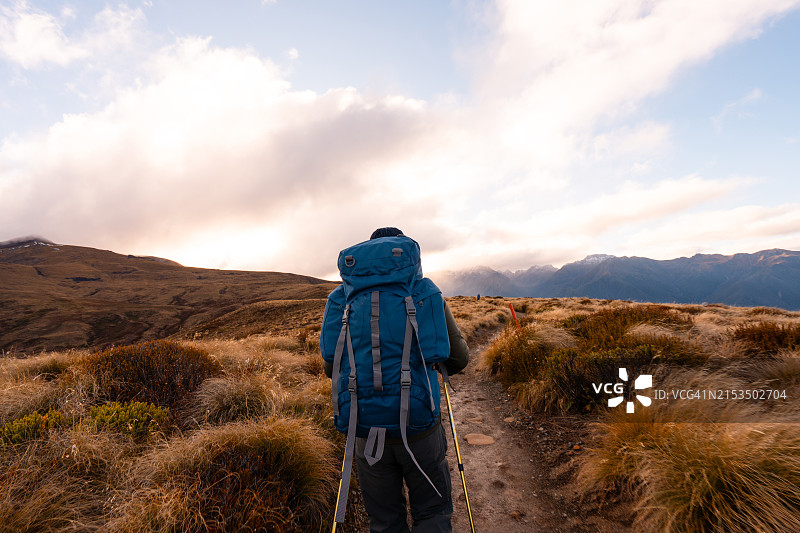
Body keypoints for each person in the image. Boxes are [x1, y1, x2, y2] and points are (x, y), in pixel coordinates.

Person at [323, 227, 470, 533]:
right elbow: (457, 360)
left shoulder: (339, 300)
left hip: (363, 427)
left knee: (385, 521)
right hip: (419, 425)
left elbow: (330, 367)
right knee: (432, 511)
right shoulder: (425, 292)